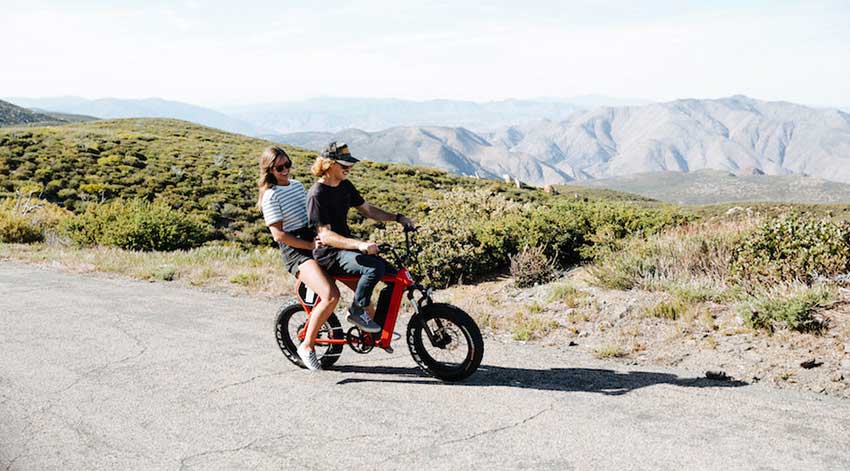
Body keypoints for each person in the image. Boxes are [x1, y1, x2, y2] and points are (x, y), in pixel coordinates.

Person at [307, 142, 415, 333]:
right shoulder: (317, 194)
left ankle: (379, 330)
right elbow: (324, 235)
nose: (349, 169)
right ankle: (357, 311)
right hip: (329, 254)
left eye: (350, 165)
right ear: (329, 164)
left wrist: (398, 218)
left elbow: (368, 210)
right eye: (344, 165)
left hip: (346, 250)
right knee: (374, 267)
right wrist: (359, 245)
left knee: (395, 277)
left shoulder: (345, 186)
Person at [257, 146, 338, 371]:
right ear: (270, 170)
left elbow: (310, 214)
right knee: (331, 295)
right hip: (295, 250)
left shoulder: (297, 186)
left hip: (313, 241)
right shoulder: (270, 196)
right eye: (279, 167)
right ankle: (307, 346)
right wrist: (310, 245)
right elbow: (279, 235)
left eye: (288, 164)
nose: (285, 170)